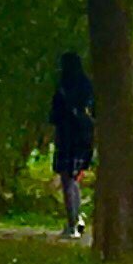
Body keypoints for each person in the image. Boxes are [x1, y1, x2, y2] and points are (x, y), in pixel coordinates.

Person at [49, 54, 97, 237]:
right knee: (74, 178)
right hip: (84, 136)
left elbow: (54, 114)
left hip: (68, 137)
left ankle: (73, 221)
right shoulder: (86, 85)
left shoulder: (63, 87)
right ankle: (77, 219)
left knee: (68, 179)